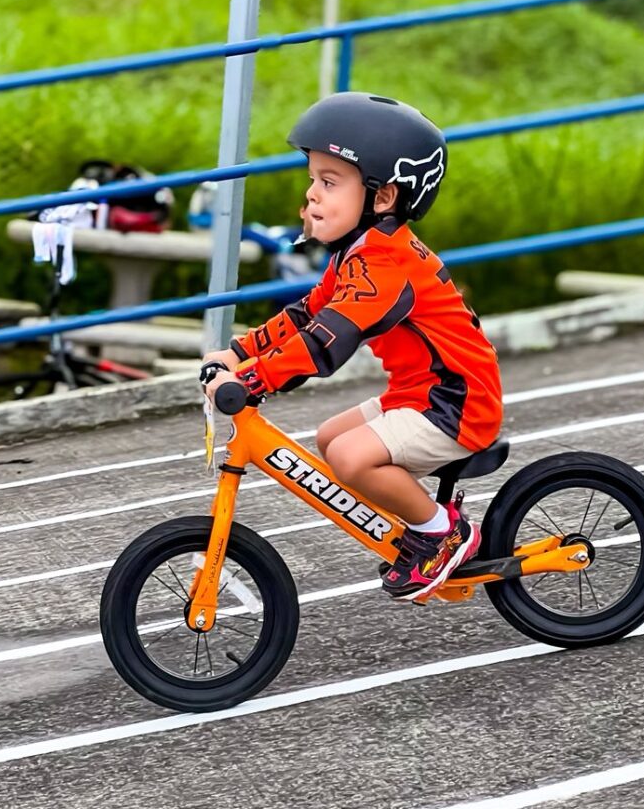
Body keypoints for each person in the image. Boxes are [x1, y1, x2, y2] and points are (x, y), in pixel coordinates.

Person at [204, 91, 503, 602]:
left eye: (329, 182)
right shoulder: (358, 254)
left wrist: (254, 379)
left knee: (349, 456)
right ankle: (418, 522)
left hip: (457, 403)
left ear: (382, 198)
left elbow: (326, 342)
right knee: (330, 437)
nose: (312, 196)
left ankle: (441, 532)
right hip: (421, 393)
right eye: (312, 180)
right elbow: (306, 314)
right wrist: (238, 353)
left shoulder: (385, 267)